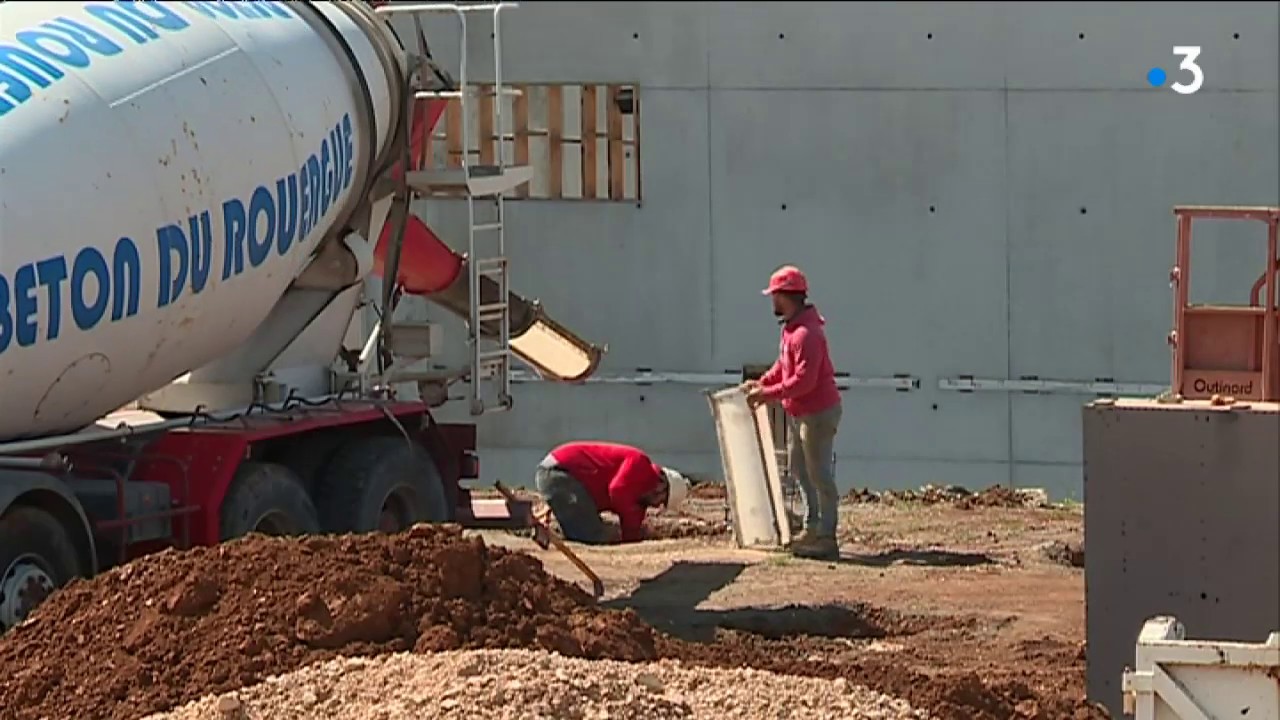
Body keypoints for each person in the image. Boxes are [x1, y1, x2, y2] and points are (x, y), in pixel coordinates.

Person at [743, 265, 843, 560]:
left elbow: (804, 382)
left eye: (775, 295)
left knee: (819, 473)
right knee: (800, 468)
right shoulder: (793, 329)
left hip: (818, 414)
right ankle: (813, 526)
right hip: (803, 412)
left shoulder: (806, 334)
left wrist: (766, 394)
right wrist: (762, 383)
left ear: (787, 296)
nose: (772, 301)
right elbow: (783, 367)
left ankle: (827, 535)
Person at [533, 441, 691, 544]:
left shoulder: (640, 503)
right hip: (557, 473)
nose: (658, 506)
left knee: (595, 532)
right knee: (592, 537)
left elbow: (630, 534)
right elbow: (617, 490)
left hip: (566, 481)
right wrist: (628, 521)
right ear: (661, 486)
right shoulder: (640, 463)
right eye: (663, 501)